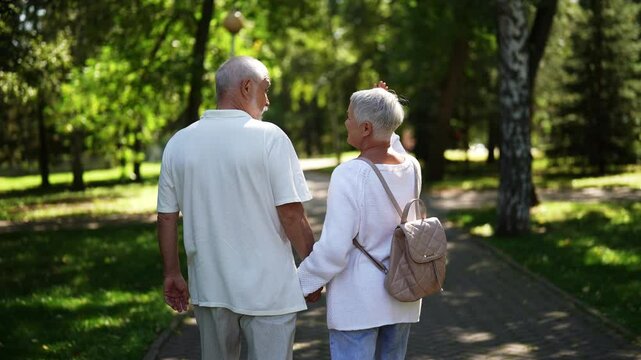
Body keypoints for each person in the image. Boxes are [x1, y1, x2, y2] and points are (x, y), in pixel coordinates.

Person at [156, 56, 320, 360]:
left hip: (210, 286)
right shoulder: (270, 137)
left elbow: (166, 217)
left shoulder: (179, 143)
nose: (268, 100)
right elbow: (291, 215)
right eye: (265, 89)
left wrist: (172, 273)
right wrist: (313, 270)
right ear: (247, 87)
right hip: (270, 290)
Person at [297, 86, 422, 359]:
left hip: (359, 303)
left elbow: (334, 250)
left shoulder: (349, 174)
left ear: (365, 128)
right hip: (403, 292)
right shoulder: (412, 167)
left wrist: (302, 283)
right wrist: (383, 106)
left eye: (349, 117)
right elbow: (389, 140)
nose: (346, 122)